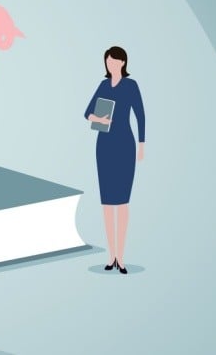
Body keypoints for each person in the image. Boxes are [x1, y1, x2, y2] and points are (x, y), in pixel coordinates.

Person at [84, 46, 145, 274]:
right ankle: (111, 256)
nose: (111, 65)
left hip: (125, 146)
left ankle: (122, 255)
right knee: (108, 204)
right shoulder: (103, 85)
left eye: (114, 61)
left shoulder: (131, 86)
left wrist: (142, 143)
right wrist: (97, 117)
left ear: (122, 62)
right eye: (108, 61)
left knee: (123, 202)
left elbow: (140, 114)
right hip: (104, 146)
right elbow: (87, 112)